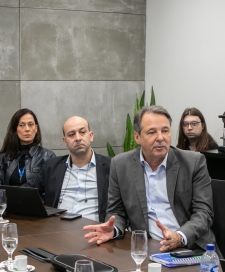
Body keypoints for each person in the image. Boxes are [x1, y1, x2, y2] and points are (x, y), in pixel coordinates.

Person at [83, 105, 216, 253]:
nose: (160, 138)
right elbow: (116, 212)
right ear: (137, 137)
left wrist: (179, 236)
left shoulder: (193, 162)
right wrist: (113, 229)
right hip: (146, 249)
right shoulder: (120, 164)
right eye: (152, 132)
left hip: (190, 248)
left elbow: (204, 213)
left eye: (165, 131)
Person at [40, 116, 111, 222]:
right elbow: (28, 192)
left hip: (94, 231)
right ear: (65, 141)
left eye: (82, 132)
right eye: (71, 134)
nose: (78, 138)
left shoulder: (111, 166)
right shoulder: (51, 166)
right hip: (56, 231)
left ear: (91, 136)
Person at [0, 108, 54, 192]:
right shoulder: (4, 157)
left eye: (30, 124)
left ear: (36, 128)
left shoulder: (48, 156)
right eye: (22, 125)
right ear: (15, 129)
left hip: (37, 204)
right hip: (10, 203)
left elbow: (51, 189)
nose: (27, 129)